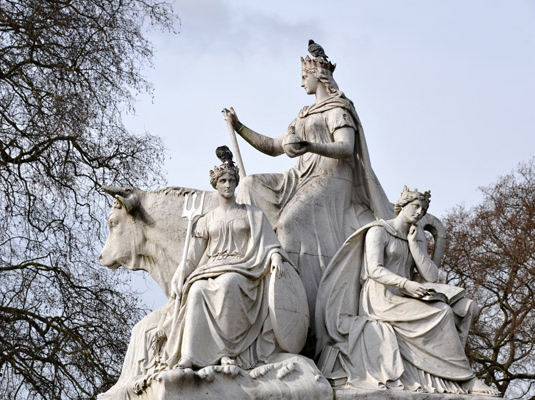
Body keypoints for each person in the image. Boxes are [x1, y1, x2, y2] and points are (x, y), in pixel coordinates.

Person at [223, 50, 392, 329]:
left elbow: (346, 148)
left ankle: (304, 300)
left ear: (318, 76)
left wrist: (311, 146)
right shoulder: (303, 114)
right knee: (251, 184)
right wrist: (239, 127)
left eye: (304, 77)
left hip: (332, 177)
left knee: (289, 224)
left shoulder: (338, 109)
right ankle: (257, 262)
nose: (302, 83)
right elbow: (275, 147)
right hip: (299, 175)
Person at [314, 187, 499, 395]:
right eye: (415, 206)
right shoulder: (379, 231)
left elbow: (430, 276)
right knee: (442, 313)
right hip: (381, 298)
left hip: (405, 295)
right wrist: (406, 284)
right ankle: (466, 379)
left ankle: (455, 377)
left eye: (423, 208)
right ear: (403, 205)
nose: (419, 212)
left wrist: (415, 246)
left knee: (458, 308)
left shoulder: (415, 236)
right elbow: (374, 269)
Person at [163, 146, 293, 369]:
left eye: (232, 181)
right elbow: (193, 255)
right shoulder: (206, 219)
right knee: (196, 291)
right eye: (223, 181)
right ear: (215, 184)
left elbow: (270, 242)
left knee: (229, 283)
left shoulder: (252, 214)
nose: (228, 185)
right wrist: (181, 272)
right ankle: (191, 355)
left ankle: (226, 352)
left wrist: (274, 255)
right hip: (212, 268)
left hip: (243, 268)